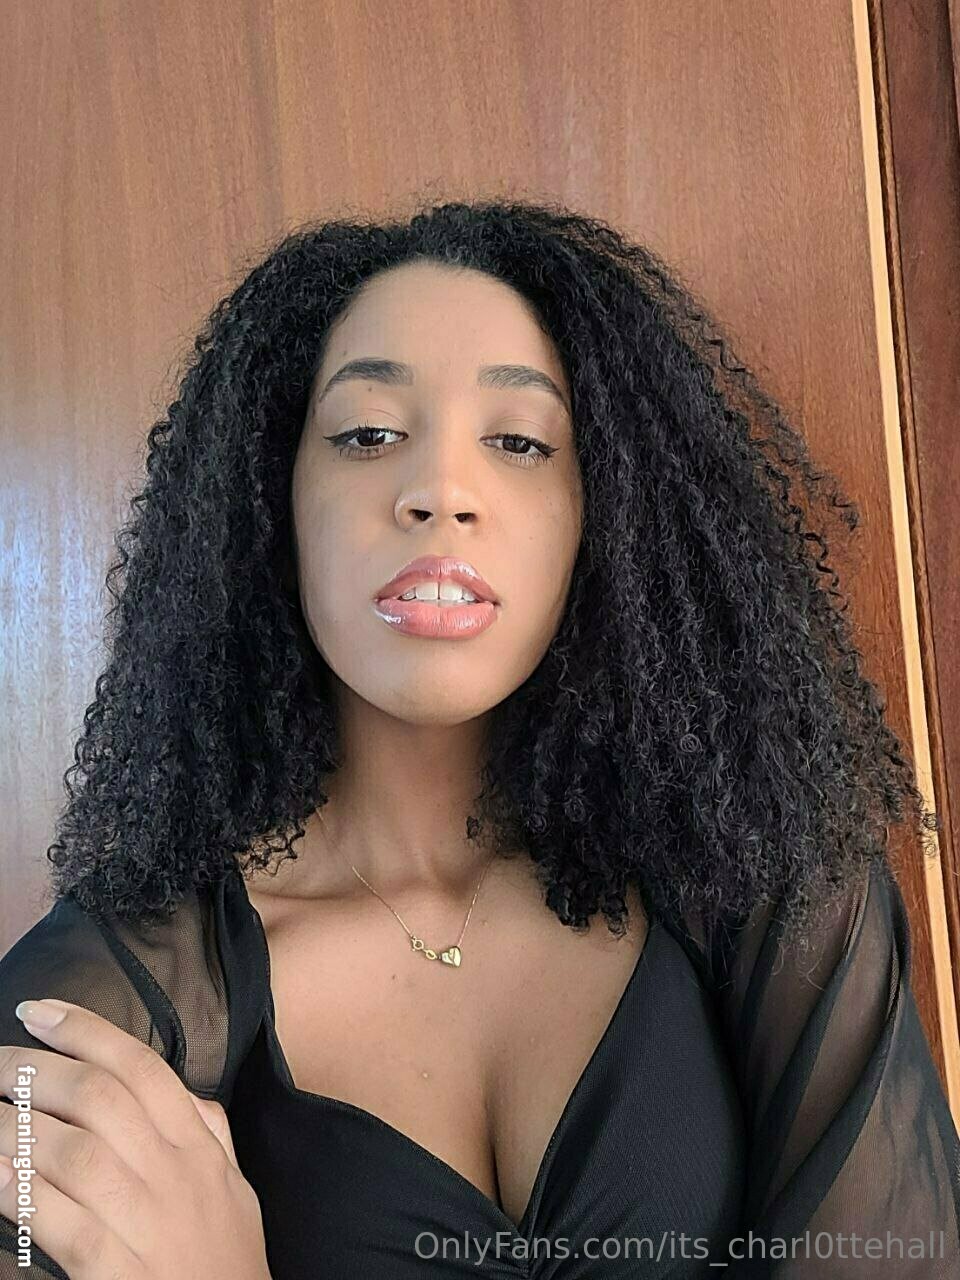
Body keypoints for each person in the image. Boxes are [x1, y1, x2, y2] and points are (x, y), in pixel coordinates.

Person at [1, 198, 958, 1278]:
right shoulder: (126, 988)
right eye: (368, 434)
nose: (440, 492)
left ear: (604, 512)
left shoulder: (767, 882)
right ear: (272, 497)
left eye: (519, 441)